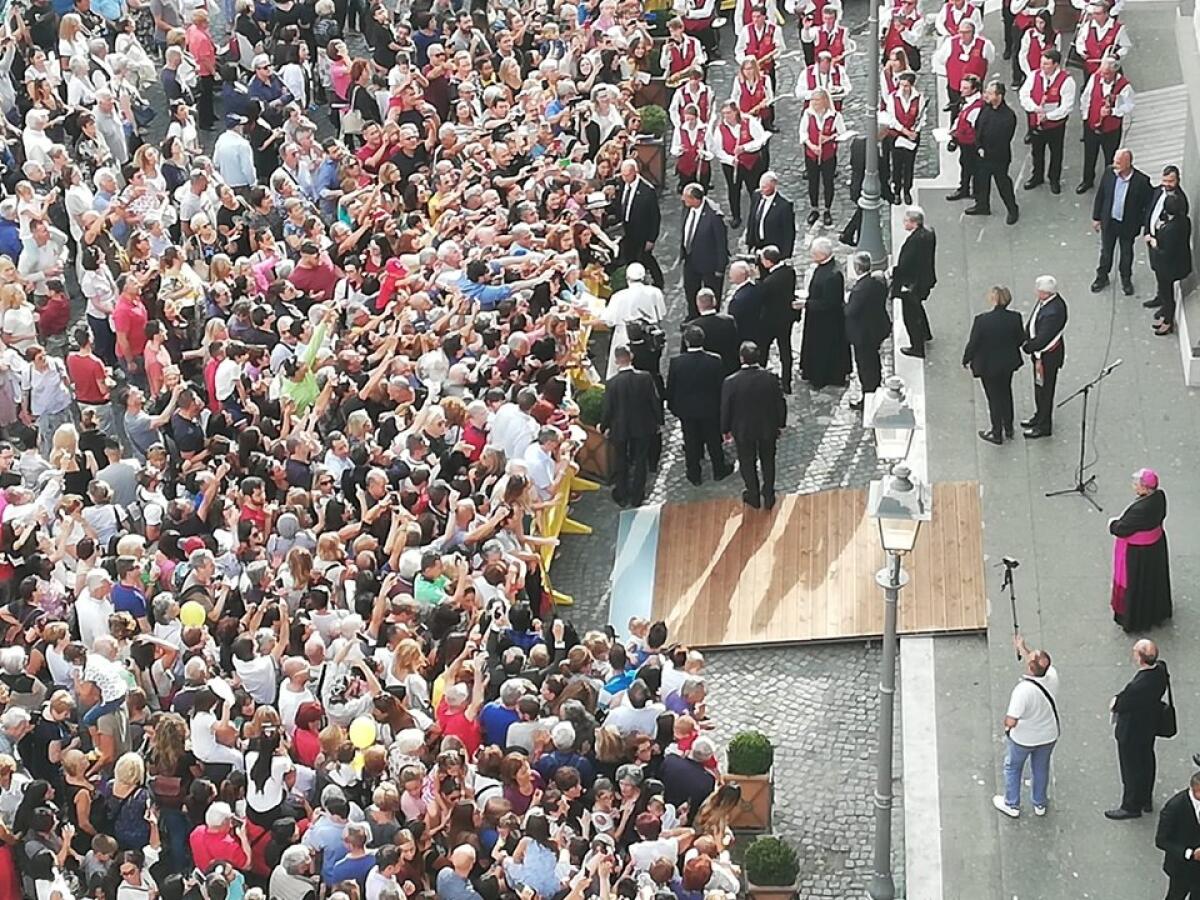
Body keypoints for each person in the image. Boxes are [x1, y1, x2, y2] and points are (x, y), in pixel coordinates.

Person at [993, 634, 1059, 818]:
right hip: (1048, 735)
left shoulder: (1023, 691)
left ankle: (1012, 804)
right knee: (1041, 767)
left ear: (1030, 667)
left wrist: (1006, 726)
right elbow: (1038, 663)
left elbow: (1012, 719)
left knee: (1013, 767)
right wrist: (1023, 649)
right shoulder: (1052, 676)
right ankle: (1039, 803)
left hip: (1024, 738)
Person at [1106, 639, 1169, 820]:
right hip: (1148, 726)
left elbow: (1120, 704)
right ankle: (1145, 798)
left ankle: (1131, 805)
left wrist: (1115, 701)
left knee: (1131, 768)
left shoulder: (1138, 687)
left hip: (1131, 731)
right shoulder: (1160, 671)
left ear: (1141, 658)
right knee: (1146, 761)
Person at [721, 341, 787, 510]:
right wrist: (780, 424)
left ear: (741, 358)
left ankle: (753, 494)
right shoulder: (770, 378)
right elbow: (780, 403)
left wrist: (725, 429)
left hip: (743, 430)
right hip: (767, 427)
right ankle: (769, 495)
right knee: (768, 461)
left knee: (747, 462)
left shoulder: (730, 382)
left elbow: (726, 407)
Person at [1109, 468, 1172, 632]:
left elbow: (1121, 528)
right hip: (1155, 547)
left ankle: (1135, 618)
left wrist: (1112, 524)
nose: (1134, 487)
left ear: (1144, 488)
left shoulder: (1139, 509)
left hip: (1138, 553)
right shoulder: (1160, 496)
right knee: (1153, 581)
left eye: (1136, 484)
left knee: (1136, 584)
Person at [667, 327, 731, 486]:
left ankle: (694, 474)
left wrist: (673, 408)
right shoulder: (714, 360)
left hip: (687, 411)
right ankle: (719, 469)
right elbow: (720, 386)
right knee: (714, 440)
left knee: (690, 441)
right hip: (710, 409)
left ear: (686, 341)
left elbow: (671, 388)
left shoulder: (676, 362)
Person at [601, 345, 663, 509]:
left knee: (621, 459)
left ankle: (622, 493)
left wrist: (604, 426)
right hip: (642, 425)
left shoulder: (612, 383)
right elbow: (654, 401)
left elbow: (608, 408)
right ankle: (637, 494)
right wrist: (659, 420)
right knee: (641, 459)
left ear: (616, 361)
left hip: (620, 427)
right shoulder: (645, 377)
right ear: (631, 356)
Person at [962, 286, 1025, 444]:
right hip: (1007, 363)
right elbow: (1020, 339)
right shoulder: (1015, 317)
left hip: (988, 365)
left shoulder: (982, 320)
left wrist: (966, 358)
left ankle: (996, 432)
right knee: (1006, 392)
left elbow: (973, 343)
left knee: (993, 397)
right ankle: (1008, 427)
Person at [1091, 147, 1153, 295]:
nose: (1114, 164)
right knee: (1106, 251)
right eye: (1114, 161)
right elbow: (1101, 195)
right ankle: (1102, 277)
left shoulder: (1141, 181)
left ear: (1128, 163)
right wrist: (1096, 217)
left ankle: (1126, 279)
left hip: (1128, 225)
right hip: (1109, 222)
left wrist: (1141, 223)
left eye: (1118, 162)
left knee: (1126, 254)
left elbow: (1149, 204)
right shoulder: (1109, 173)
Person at [1019, 49, 1076, 194]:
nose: (1042, 66)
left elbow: (1066, 106)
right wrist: (1035, 108)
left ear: (1055, 64)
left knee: (1056, 152)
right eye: (1042, 63)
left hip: (1055, 125)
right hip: (1036, 122)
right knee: (1036, 152)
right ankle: (1037, 176)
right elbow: (1024, 95)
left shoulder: (1067, 81)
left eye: (1046, 64)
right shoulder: (1034, 75)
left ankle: (1054, 179)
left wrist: (1048, 116)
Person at [798, 238, 850, 390]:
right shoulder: (826, 268)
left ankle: (822, 376)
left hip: (827, 322)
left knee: (823, 350)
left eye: (813, 253)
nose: (811, 255)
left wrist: (806, 304)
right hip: (818, 317)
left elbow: (830, 303)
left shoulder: (832, 275)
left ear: (822, 254)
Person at [1076, 59, 1134, 194]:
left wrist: (1113, 112)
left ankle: (1110, 184)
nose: (1103, 76)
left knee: (1111, 158)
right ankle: (1087, 180)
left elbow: (1129, 106)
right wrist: (1086, 117)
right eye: (1102, 73)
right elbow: (1086, 97)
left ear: (1114, 72)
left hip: (1111, 130)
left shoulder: (1124, 86)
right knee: (1089, 154)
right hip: (1091, 125)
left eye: (1107, 73)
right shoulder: (1095, 78)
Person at [600, 263, 667, 380]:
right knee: (651, 371)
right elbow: (661, 314)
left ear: (627, 279)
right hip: (649, 337)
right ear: (644, 277)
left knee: (622, 373)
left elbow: (608, 320)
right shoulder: (655, 292)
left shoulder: (618, 296)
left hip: (624, 337)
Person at [1021, 275, 1068, 439]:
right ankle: (1039, 415)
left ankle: (1044, 425)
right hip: (1041, 355)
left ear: (1045, 294)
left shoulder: (1054, 311)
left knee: (1046, 390)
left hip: (1048, 357)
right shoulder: (1047, 302)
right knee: (1039, 387)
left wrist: (1027, 346)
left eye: (1038, 290)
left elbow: (1043, 338)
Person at [843, 252, 891, 411]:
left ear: (857, 268)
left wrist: (846, 302)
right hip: (877, 329)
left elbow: (850, 311)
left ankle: (869, 397)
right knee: (873, 362)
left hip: (864, 335)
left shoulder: (860, 290)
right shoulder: (877, 282)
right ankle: (875, 386)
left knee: (865, 366)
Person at [969, 80, 1020, 224]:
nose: (986, 95)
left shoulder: (1008, 116)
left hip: (998, 157)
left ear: (999, 96)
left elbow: (1003, 139)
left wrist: (986, 151)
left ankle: (1012, 209)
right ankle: (982, 205)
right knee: (981, 182)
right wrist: (979, 146)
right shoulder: (986, 108)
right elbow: (979, 127)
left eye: (990, 93)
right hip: (982, 153)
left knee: (1002, 183)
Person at [891, 206, 938, 359]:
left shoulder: (914, 242)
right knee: (917, 308)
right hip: (924, 280)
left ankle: (917, 347)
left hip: (912, 284)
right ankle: (925, 333)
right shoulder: (929, 234)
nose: (903, 223)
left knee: (910, 316)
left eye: (906, 221)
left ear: (914, 223)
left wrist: (894, 274)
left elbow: (906, 265)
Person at [681, 184, 730, 321]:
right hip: (690, 259)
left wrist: (720, 268)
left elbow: (721, 243)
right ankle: (693, 316)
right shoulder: (687, 208)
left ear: (695, 199)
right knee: (690, 290)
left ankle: (711, 320)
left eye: (686, 198)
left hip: (709, 263)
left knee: (711, 294)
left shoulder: (714, 216)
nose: (683, 200)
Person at [797, 89, 846, 226]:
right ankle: (814, 208)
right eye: (812, 100)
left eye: (816, 100)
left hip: (828, 155)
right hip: (812, 154)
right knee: (813, 182)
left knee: (828, 182)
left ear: (824, 101)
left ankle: (827, 210)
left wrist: (829, 138)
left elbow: (842, 133)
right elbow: (803, 132)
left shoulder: (835, 115)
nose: (813, 103)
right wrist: (811, 146)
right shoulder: (808, 114)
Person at [613, 160, 664, 288]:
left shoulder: (647, 191)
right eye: (623, 175)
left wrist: (651, 239)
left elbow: (655, 217)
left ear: (635, 172)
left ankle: (658, 281)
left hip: (642, 232)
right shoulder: (621, 184)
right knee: (630, 257)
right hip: (626, 231)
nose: (624, 178)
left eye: (627, 175)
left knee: (645, 258)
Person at [1146, 193, 1191, 335]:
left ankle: (1167, 322)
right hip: (1179, 263)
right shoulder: (1184, 221)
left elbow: (1165, 253)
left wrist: (1154, 243)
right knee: (1166, 294)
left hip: (1168, 268)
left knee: (1167, 295)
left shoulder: (1171, 229)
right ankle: (1166, 317)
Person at [757, 246, 799, 393]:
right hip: (786, 318)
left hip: (770, 321)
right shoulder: (790, 272)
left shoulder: (769, 282)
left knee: (763, 350)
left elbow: (762, 298)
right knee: (785, 350)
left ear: (768, 262)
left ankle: (760, 378)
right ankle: (786, 382)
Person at [1154, 772, 1200, 900]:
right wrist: (1190, 853)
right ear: (1193, 789)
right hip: (1182, 869)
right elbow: (1161, 840)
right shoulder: (1174, 808)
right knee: (1176, 895)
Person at [682, 290, 740, 375]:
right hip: (730, 369)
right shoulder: (729, 321)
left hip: (706, 372)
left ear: (698, 304)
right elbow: (736, 343)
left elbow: (686, 354)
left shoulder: (692, 326)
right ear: (714, 302)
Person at [746, 171, 796, 258]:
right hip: (758, 244)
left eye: (765, 187)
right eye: (761, 186)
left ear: (774, 185)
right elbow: (752, 219)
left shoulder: (784, 206)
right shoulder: (756, 196)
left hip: (773, 247)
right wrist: (749, 242)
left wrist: (786, 254)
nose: (762, 190)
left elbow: (789, 233)